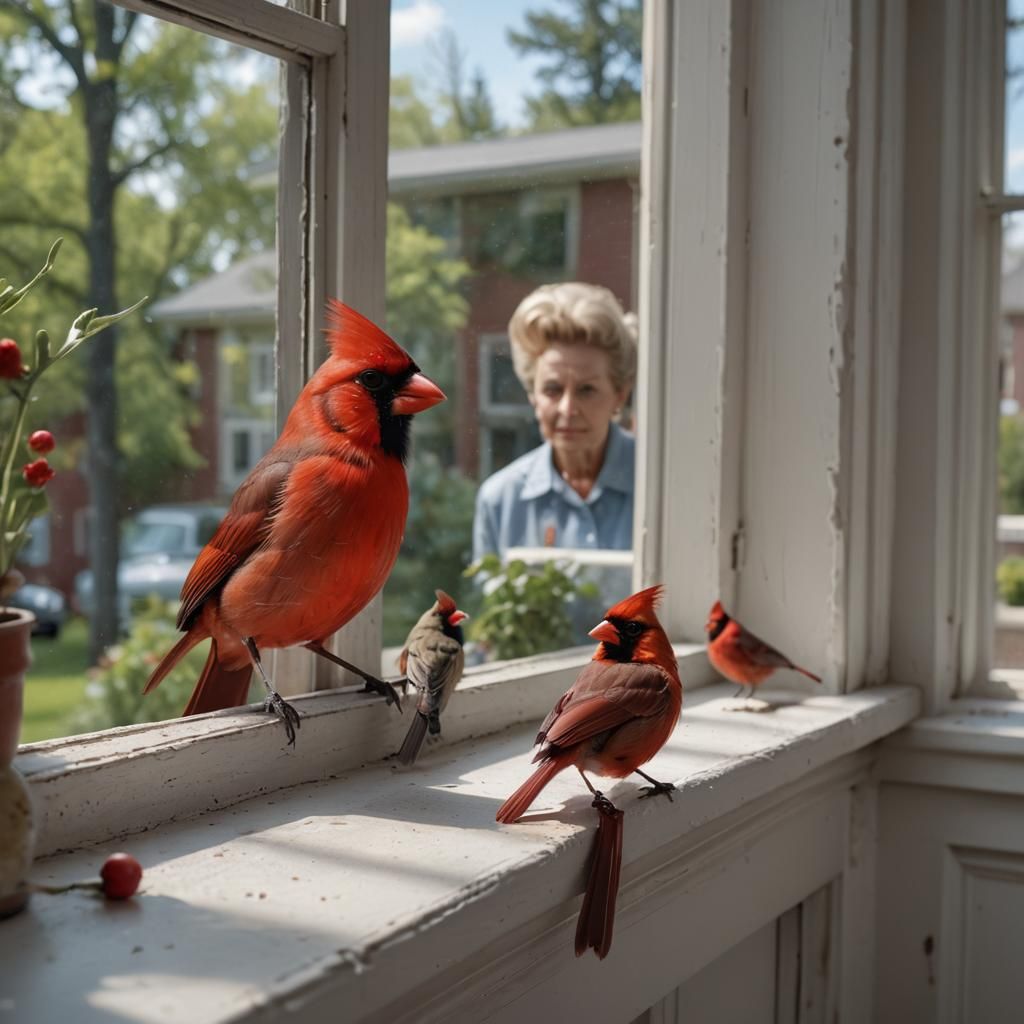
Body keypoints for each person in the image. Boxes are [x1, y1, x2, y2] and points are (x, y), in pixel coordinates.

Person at [473, 281, 637, 574]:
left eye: (587, 390)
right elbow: (488, 616)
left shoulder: (660, 486)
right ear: (532, 395)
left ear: (620, 395)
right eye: (552, 389)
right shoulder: (500, 501)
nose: (567, 409)